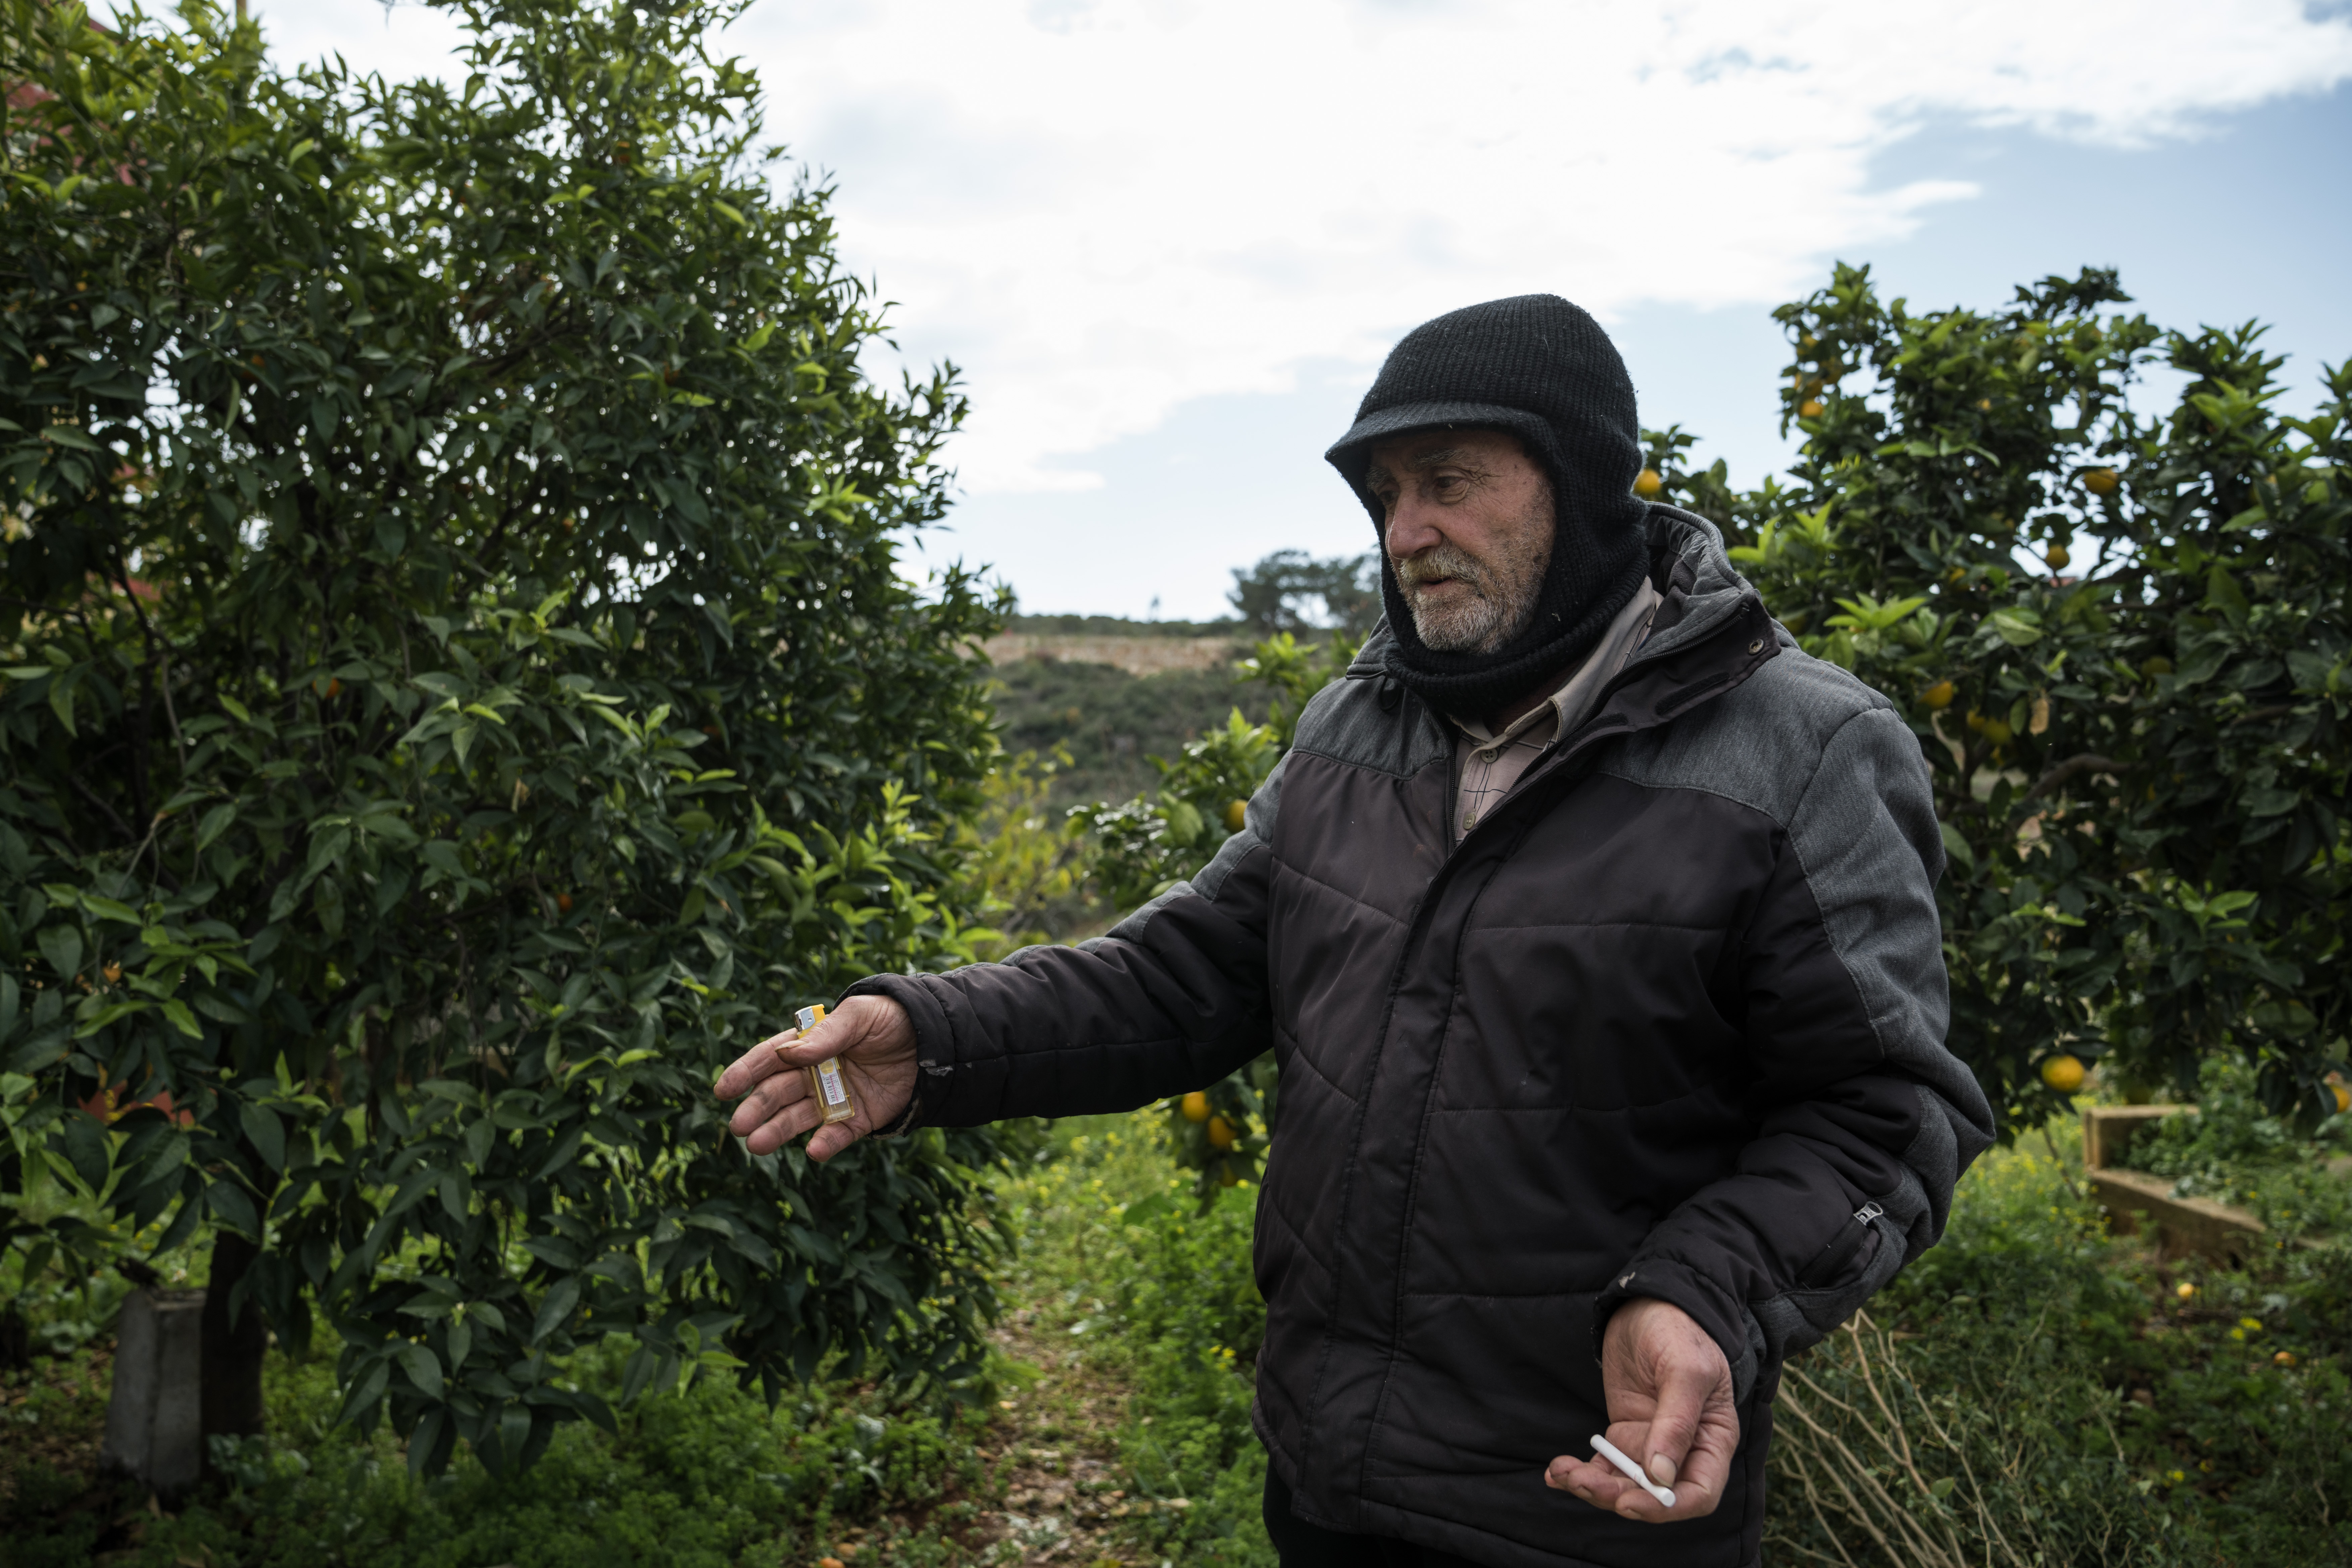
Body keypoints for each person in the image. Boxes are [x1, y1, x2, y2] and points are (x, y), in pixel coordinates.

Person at [717, 294, 1995, 1568]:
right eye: (1386, 495)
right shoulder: (1358, 726)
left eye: (1449, 481)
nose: (1408, 532)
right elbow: (1187, 975)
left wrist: (1706, 1292)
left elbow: (1885, 1111)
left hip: (1589, 1510)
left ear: (1586, 484)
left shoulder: (1802, 750)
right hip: (1331, 1482)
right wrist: (935, 1036)